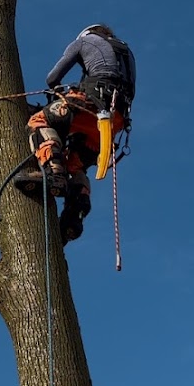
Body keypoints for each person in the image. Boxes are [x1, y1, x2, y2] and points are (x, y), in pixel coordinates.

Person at [18, 24, 136, 245]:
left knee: (40, 121)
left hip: (90, 103)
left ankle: (54, 173)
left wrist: (57, 91)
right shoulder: (125, 53)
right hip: (114, 121)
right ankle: (75, 212)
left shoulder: (84, 41)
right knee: (76, 164)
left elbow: (52, 78)